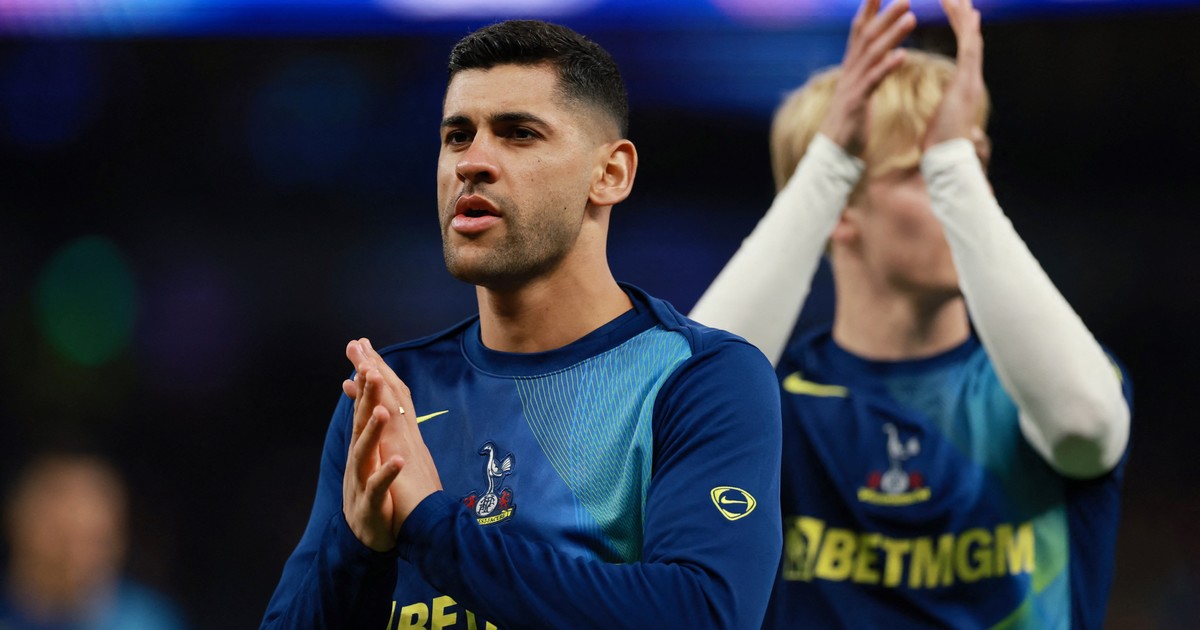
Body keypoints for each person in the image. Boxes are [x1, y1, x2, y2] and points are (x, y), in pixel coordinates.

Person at [261, 19, 783, 629]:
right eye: (458, 136)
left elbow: (703, 614)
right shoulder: (393, 394)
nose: (473, 162)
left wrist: (430, 524)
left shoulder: (699, 379)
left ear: (610, 173)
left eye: (519, 134)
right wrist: (358, 550)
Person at [689, 0, 1133, 627]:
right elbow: (673, 417)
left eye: (973, 167)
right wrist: (827, 165)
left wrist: (952, 170)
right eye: (928, 170)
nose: (968, 196)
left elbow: (1084, 426)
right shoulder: (776, 406)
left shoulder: (1043, 386)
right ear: (838, 208)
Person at [0, 452, 187, 630]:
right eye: (62, 537)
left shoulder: (146, 621)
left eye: (95, 541)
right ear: (16, 524)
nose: (77, 558)